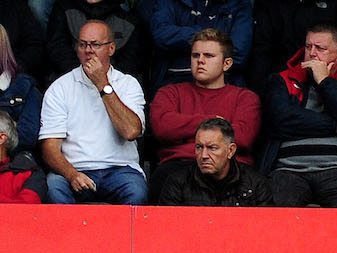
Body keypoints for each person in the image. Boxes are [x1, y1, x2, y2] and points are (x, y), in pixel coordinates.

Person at [261, 24, 337, 207]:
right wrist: (335, 127)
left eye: (320, 48)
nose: (312, 54)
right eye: (308, 47)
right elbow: (279, 119)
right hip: (288, 169)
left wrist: (325, 82)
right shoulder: (282, 80)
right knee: (276, 210)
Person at [38, 20, 146, 203]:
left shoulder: (128, 84)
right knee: (54, 188)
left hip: (120, 169)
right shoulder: (60, 88)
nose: (88, 50)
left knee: (136, 192)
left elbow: (131, 131)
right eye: (83, 44)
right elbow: (50, 148)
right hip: (75, 168)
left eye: (95, 44)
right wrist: (72, 174)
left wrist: (103, 84)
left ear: (111, 48)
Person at [149, 30, 260, 159]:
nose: (200, 60)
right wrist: (217, 122)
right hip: (181, 163)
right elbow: (162, 128)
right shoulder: (170, 93)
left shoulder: (245, 98)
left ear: (226, 64)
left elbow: (242, 138)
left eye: (209, 56)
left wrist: (185, 132)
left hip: (229, 166)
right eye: (195, 55)